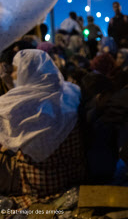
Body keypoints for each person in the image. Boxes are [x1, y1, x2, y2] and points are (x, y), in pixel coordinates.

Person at [0, 50, 85, 209]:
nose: (12, 75)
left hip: (40, 182)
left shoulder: (18, 106)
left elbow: (9, 123)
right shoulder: (69, 91)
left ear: (27, 72)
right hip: (72, 173)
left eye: (16, 70)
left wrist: (8, 85)